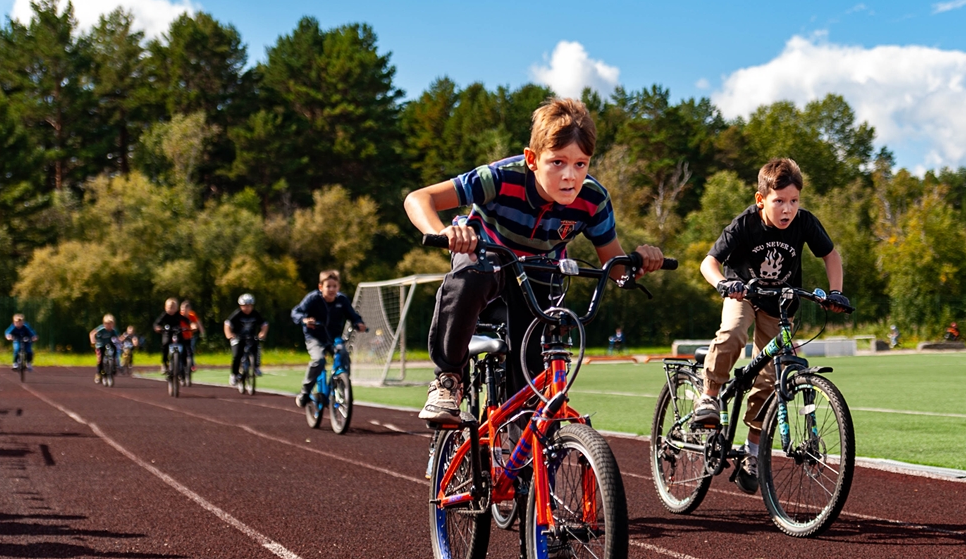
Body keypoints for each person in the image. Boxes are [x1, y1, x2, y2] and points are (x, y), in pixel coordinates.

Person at [403, 96, 665, 425]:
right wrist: (444, 232)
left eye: (580, 164)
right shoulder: (500, 177)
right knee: (473, 272)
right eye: (557, 162)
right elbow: (418, 199)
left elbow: (615, 267)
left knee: (529, 384)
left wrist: (640, 261)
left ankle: (523, 438)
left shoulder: (593, 199)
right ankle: (448, 381)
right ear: (532, 159)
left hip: (538, 276)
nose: (570, 176)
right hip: (486, 258)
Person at [696, 157, 850, 494]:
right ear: (761, 199)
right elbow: (709, 262)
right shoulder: (745, 224)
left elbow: (831, 255)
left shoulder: (805, 222)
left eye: (794, 201)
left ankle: (752, 452)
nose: (788, 209)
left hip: (779, 305)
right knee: (734, 333)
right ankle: (709, 396)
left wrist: (835, 292)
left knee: (770, 379)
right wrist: (723, 284)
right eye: (779, 201)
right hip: (743, 295)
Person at [291, 270, 367, 408]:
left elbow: (352, 315)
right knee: (319, 360)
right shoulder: (313, 298)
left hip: (334, 338)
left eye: (335, 286)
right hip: (314, 337)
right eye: (328, 286)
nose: (332, 289)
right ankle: (305, 392)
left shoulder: (342, 300)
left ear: (338, 287)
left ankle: (342, 386)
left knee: (343, 355)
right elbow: (296, 312)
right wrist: (304, 320)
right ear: (321, 287)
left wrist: (359, 323)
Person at [226, 293, 269, 385]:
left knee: (257, 348)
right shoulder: (237, 314)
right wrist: (229, 334)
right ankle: (234, 374)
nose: (247, 308)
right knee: (237, 355)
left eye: (249, 306)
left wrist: (262, 333)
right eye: (245, 306)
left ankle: (256, 367)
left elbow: (264, 324)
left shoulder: (255, 314)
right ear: (240, 306)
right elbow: (227, 324)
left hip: (251, 337)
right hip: (237, 337)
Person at [153, 298, 191, 376]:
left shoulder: (178, 315)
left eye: (173, 308)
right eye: (169, 308)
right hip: (167, 333)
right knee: (165, 344)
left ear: (177, 308)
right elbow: (157, 323)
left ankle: (184, 365)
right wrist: (157, 328)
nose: (171, 310)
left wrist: (192, 325)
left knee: (184, 345)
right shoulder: (164, 315)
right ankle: (164, 363)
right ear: (165, 307)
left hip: (177, 333)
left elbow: (187, 321)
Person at [89, 314, 119, 384]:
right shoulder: (101, 329)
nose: (109, 326)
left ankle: (113, 364)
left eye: (111, 324)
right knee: (100, 359)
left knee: (115, 350)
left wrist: (119, 342)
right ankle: (98, 373)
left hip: (109, 344)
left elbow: (117, 338)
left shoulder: (113, 330)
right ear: (104, 324)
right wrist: (93, 340)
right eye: (107, 324)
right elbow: (92, 333)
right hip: (100, 344)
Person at [180, 300, 202, 372]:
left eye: (186, 310)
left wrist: (199, 329)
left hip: (188, 336)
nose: (184, 311)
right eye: (182, 309)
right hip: (180, 336)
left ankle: (192, 365)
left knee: (190, 350)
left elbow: (196, 323)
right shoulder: (179, 316)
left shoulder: (191, 315)